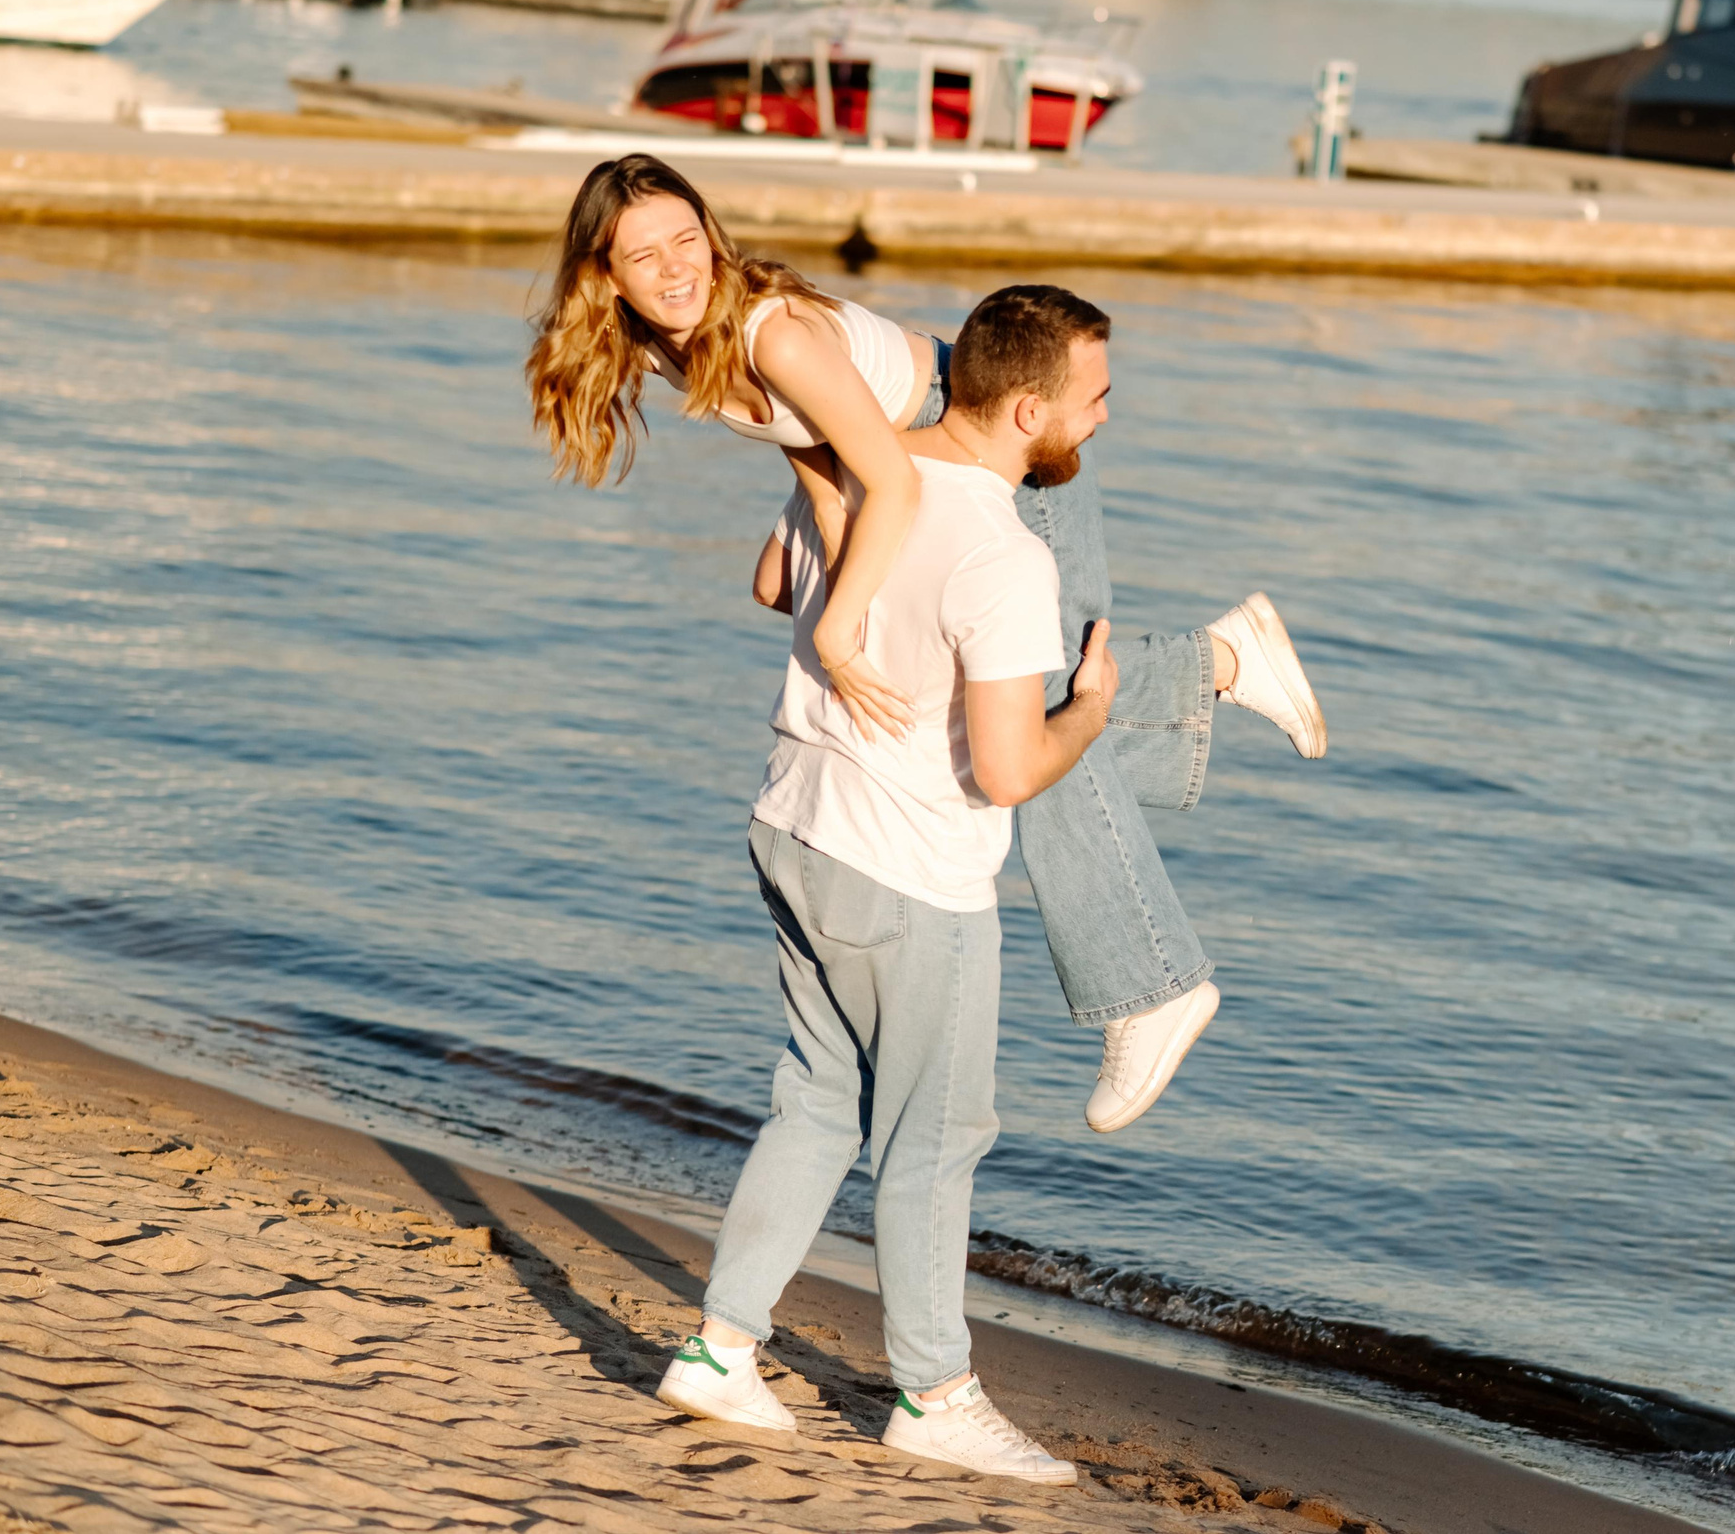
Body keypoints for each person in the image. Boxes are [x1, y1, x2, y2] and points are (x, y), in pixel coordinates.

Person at [527, 155, 1328, 1131]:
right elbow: (819, 457)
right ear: (606, 275)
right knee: (1036, 718)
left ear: (710, 229)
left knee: (1025, 731)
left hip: (992, 449)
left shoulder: (766, 331)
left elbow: (889, 480)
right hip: (913, 459)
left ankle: (1152, 985)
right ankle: (1223, 662)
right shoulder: (671, 344)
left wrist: (839, 617)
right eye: (643, 255)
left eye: (685, 238)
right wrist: (844, 595)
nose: (674, 267)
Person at [654, 285, 1119, 1479]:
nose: (1104, 421)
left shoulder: (862, 465)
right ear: (1027, 409)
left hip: (794, 824)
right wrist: (1089, 710)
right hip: (908, 872)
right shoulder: (1006, 557)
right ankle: (932, 1390)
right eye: (1094, 399)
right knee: (937, 1134)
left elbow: (772, 583)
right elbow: (1011, 767)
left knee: (816, 1097)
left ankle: (719, 1349)